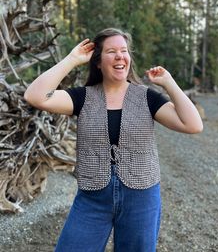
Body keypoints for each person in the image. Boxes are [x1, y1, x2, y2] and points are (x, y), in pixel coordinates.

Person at [24, 28, 203, 252]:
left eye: (124, 50)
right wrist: (72, 59)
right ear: (98, 62)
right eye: (111, 51)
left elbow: (193, 125)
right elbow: (34, 96)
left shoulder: (147, 97)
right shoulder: (83, 97)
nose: (120, 56)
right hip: (92, 197)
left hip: (142, 196)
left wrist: (169, 83)